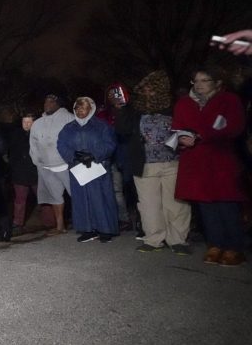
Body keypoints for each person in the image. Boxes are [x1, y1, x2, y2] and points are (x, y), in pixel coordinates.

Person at [172, 67, 247, 266]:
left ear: (217, 83)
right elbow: (177, 127)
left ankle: (234, 247)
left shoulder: (229, 100)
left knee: (226, 204)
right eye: (196, 80)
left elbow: (235, 126)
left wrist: (204, 135)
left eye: (205, 80)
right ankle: (215, 245)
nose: (199, 84)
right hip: (195, 162)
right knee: (206, 206)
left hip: (221, 160)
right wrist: (181, 139)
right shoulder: (184, 103)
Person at [115, 71, 192, 254]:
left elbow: (187, 128)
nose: (146, 90)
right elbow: (122, 130)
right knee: (149, 204)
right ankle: (153, 239)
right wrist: (122, 109)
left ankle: (178, 240)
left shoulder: (174, 106)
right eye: (144, 87)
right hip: (144, 164)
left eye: (150, 87)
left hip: (172, 162)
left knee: (176, 204)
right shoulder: (135, 109)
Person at [57, 97, 118, 243]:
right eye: (77, 108)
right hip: (78, 168)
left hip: (97, 168)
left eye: (83, 108)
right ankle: (87, 229)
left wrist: (94, 154)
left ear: (91, 109)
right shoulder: (68, 128)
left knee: (101, 198)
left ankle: (105, 229)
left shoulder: (102, 126)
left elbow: (110, 144)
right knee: (81, 199)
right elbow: (61, 145)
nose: (80, 111)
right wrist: (74, 155)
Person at [29, 93, 75, 235]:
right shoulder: (37, 123)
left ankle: (88, 223)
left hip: (65, 165)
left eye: (51, 102)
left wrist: (72, 159)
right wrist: (37, 161)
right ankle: (60, 226)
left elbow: (75, 139)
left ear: (58, 104)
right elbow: (33, 144)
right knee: (55, 198)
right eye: (45, 102)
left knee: (77, 194)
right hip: (46, 167)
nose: (47, 104)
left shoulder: (69, 118)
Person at [96, 83, 135, 230]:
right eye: (110, 94)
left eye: (117, 93)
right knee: (116, 189)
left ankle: (137, 219)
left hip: (128, 155)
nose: (113, 97)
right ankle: (122, 218)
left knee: (131, 188)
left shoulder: (131, 111)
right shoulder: (103, 114)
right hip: (110, 157)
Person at [7, 112, 53, 235]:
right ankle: (18, 222)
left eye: (29, 122)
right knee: (19, 200)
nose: (26, 124)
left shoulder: (40, 134)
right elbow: (11, 154)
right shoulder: (15, 135)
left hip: (37, 172)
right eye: (24, 122)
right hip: (20, 173)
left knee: (43, 198)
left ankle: (50, 222)